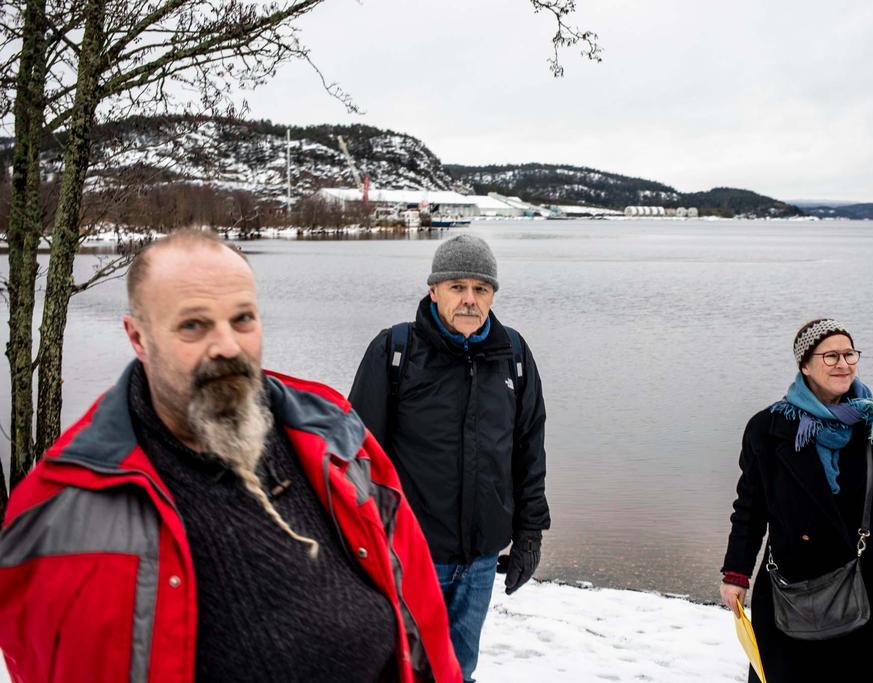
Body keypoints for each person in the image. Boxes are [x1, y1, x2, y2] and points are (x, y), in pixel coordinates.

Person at [0, 229, 460, 683]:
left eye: (243, 319)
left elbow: (421, 613)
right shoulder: (60, 513)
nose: (227, 346)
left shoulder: (335, 438)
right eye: (193, 325)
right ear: (138, 337)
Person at [349, 234, 549, 682]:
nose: (469, 299)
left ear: (493, 294)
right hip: (411, 554)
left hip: (480, 558)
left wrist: (530, 532)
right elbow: (358, 454)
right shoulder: (395, 351)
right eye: (457, 286)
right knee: (403, 668)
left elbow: (528, 449)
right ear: (433, 289)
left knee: (460, 669)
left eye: (480, 288)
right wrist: (361, 542)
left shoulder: (512, 355)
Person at [720, 318, 873, 683]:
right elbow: (750, 508)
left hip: (870, 583)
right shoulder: (768, 428)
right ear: (804, 364)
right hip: (792, 585)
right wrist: (736, 573)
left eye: (849, 354)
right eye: (831, 356)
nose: (843, 364)